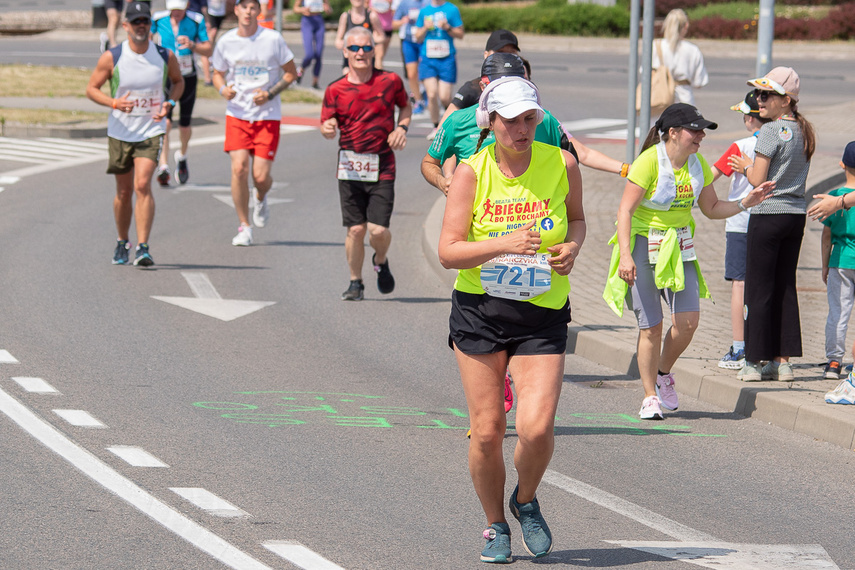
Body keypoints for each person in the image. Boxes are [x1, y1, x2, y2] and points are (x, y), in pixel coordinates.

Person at [438, 76, 585, 563]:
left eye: (529, 119)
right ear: (491, 122)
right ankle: (494, 524)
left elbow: (578, 219)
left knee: (536, 429)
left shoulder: (561, 163)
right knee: (487, 431)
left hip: (541, 313)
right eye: (512, 121)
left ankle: (524, 500)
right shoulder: (471, 173)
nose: (522, 129)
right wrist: (505, 243)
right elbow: (448, 251)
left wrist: (572, 247)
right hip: (480, 313)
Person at [603, 103, 773, 420]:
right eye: (694, 130)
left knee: (688, 323)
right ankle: (650, 396)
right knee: (651, 326)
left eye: (702, 131)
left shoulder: (698, 164)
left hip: (680, 247)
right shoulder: (648, 162)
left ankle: (662, 373)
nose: (700, 136)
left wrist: (744, 202)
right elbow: (625, 210)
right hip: (643, 244)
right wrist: (625, 255)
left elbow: (711, 208)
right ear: (673, 133)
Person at [421, 53, 625, 196]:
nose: (523, 128)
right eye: (510, 121)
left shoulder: (544, 119)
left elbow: (577, 157)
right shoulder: (457, 121)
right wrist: (442, 181)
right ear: (483, 86)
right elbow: (429, 162)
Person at [729, 67, 815, 382]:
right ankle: (783, 362)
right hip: (795, 215)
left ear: (786, 99)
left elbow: (758, 180)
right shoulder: (805, 130)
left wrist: (745, 166)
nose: (759, 100)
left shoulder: (769, 131)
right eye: (759, 93)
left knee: (758, 288)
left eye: (767, 94)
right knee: (785, 286)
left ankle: (752, 362)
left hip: (767, 214)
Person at [87, 1, 184, 267]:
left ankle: (143, 247)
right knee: (123, 191)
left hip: (150, 130)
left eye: (145, 21)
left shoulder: (164, 55)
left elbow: (178, 82)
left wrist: (170, 103)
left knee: (142, 185)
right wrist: (114, 103)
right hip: (121, 131)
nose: (141, 26)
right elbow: (91, 89)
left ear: (151, 25)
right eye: (136, 22)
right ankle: (122, 241)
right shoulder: (113, 56)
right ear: (126, 25)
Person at [320, 27, 411, 301]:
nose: (361, 53)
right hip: (349, 166)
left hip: (382, 165)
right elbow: (326, 122)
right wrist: (328, 127)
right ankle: (355, 282)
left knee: (378, 230)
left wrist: (401, 128)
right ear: (345, 51)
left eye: (366, 47)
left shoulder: (390, 81)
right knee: (356, 229)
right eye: (355, 48)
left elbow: (405, 106)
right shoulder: (335, 89)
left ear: (374, 50)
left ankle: (380, 259)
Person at [212, 0, 298, 246]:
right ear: (236, 10)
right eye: (244, 7)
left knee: (260, 177)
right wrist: (223, 90)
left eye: (253, 7)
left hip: (266, 116)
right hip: (237, 114)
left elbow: (290, 73)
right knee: (239, 169)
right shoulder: (226, 41)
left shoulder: (272, 39)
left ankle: (260, 196)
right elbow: (217, 74)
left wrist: (269, 94)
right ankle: (244, 226)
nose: (248, 12)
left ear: (258, 11)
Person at [708, 91, 770, 369]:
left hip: (740, 220)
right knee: (767, 284)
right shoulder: (780, 142)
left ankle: (740, 347)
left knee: (740, 284)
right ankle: (768, 348)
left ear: (750, 118)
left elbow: (708, 176)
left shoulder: (740, 146)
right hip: (771, 219)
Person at [152, 0, 213, 186]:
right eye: (173, 9)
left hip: (187, 76)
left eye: (179, 9)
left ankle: (182, 156)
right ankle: (163, 166)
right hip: (166, 76)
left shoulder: (196, 20)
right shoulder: (158, 18)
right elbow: (146, 40)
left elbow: (208, 49)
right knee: (165, 121)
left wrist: (192, 45)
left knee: (185, 126)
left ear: (186, 6)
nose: (176, 13)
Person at [818, 143, 855, 389]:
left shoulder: (834, 198)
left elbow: (826, 236)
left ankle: (834, 361)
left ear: (842, 164)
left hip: (840, 262)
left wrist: (825, 265)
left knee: (838, 313)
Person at [413, 0, 464, 140]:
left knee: (445, 97)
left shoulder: (452, 9)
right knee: (431, 94)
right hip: (428, 58)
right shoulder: (424, 11)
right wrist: (425, 28)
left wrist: (448, 28)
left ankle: (452, 121)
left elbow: (460, 34)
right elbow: (417, 37)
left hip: (446, 58)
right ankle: (436, 127)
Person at [653, 9, 708, 106]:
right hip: (684, 100)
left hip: (659, 100)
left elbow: (644, 73)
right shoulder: (692, 50)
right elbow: (699, 82)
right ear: (686, 26)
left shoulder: (655, 46)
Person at [392, 0, 427, 113]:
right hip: (408, 41)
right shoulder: (405, 3)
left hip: (424, 41)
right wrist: (403, 21)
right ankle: (418, 101)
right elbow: (394, 24)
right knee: (411, 74)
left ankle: (425, 93)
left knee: (424, 71)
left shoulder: (428, 2)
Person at [334, 0, 385, 76]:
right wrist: (342, 43)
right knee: (348, 78)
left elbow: (382, 37)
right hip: (350, 59)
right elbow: (338, 40)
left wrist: (371, 40)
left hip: (366, 58)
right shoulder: (345, 16)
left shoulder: (371, 16)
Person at [293, 0, 331, 90]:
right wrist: (303, 9)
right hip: (307, 21)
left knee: (318, 54)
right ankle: (301, 69)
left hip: (319, 21)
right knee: (309, 54)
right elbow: (295, 8)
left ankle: (315, 82)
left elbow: (329, 10)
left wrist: (327, 9)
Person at [200, 0, 228, 86]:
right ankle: (207, 77)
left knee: (213, 38)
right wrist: (206, 19)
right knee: (210, 39)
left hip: (220, 12)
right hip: (210, 13)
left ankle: (210, 59)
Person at [370, 0, 395, 69]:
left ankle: (376, 71)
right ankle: (377, 73)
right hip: (375, 28)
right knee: (378, 56)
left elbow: (394, 10)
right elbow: (366, 7)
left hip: (387, 27)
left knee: (381, 56)